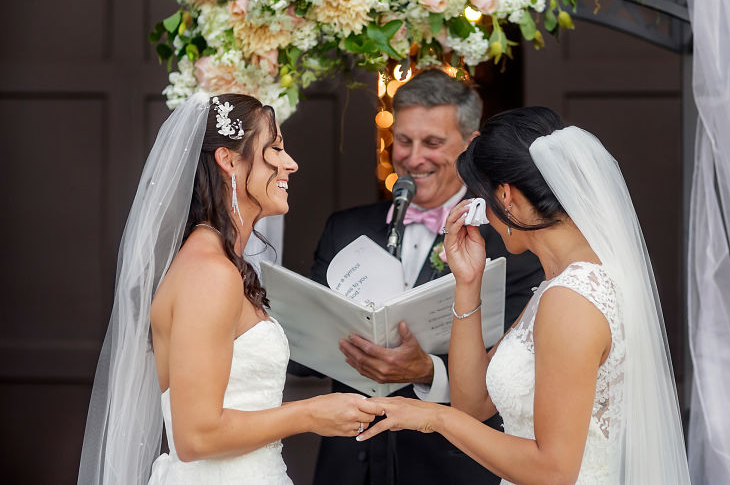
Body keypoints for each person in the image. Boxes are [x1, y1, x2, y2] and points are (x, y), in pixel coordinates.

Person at [358, 107, 691, 485]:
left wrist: (433, 418)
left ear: (506, 195)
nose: (485, 218)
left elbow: (553, 471)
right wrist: (467, 284)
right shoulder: (559, 285)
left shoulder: (572, 299)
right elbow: (473, 404)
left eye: (481, 199)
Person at [79, 93, 383, 484]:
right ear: (228, 160)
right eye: (275, 149)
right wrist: (311, 414)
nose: (291, 164)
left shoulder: (223, 264)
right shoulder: (209, 273)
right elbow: (195, 436)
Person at [291, 69, 545, 484]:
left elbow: (516, 365)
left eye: (432, 143)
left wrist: (428, 370)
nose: (413, 157)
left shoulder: (509, 243)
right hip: (347, 468)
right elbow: (301, 353)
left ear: (470, 144)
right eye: (403, 141)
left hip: (449, 468)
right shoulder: (345, 228)